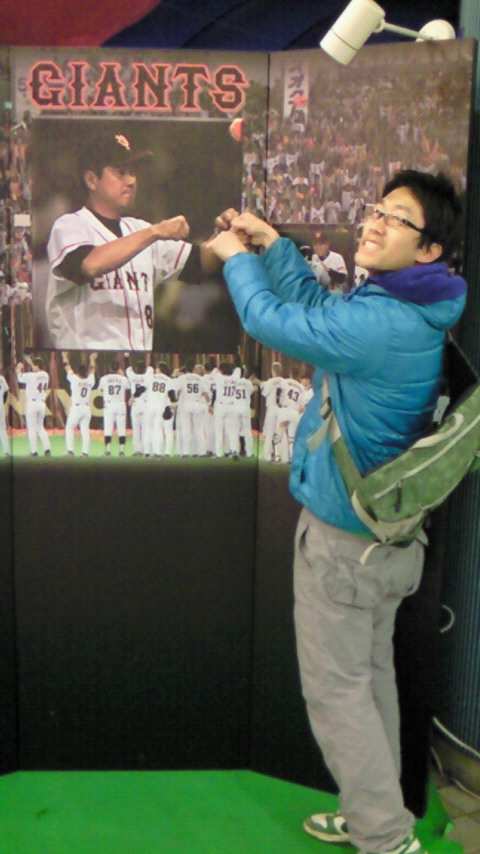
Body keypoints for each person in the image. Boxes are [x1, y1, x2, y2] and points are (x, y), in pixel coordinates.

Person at [206, 170, 467, 854]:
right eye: (378, 209)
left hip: (345, 548)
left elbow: (272, 321)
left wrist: (236, 260)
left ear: (430, 249)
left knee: (337, 695)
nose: (375, 222)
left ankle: (386, 838)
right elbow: (318, 311)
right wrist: (272, 246)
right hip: (384, 546)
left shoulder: (383, 321)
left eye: (397, 218)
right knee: (369, 683)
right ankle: (376, 813)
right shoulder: (406, 305)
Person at [45, 131, 224, 351]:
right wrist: (155, 232)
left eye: (132, 172)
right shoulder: (70, 226)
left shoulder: (139, 229)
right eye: (120, 172)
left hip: (139, 362)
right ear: (91, 180)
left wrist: (225, 234)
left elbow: (200, 262)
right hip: (86, 362)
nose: (131, 181)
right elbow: (90, 264)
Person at [16, 355, 52, 456]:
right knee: (40, 427)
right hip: (41, 403)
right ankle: (47, 449)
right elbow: (37, 369)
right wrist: (31, 362)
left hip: (32, 404)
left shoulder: (31, 376)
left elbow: (19, 378)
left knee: (31, 428)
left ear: (37, 366)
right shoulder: (46, 375)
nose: (32, 367)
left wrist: (18, 369)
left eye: (34, 365)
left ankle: (34, 451)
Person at [63, 352, 97, 456]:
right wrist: (92, 359)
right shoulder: (90, 380)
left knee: (69, 428)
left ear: (78, 372)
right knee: (85, 431)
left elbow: (67, 367)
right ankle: (85, 453)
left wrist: (64, 356)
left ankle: (70, 451)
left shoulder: (75, 379)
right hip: (86, 408)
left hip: (77, 408)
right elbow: (92, 370)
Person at [98, 359, 130, 456]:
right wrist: (122, 375)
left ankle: (107, 450)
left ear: (110, 368)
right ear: (118, 368)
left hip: (109, 404)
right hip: (120, 404)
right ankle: (122, 451)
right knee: (121, 428)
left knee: (108, 428)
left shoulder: (104, 378)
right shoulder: (123, 379)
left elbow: (100, 390)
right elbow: (128, 387)